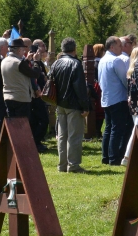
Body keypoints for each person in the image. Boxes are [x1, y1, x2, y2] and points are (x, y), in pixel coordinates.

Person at [51, 37, 89, 173]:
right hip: (73, 104)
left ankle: (62, 165)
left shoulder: (56, 63)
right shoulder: (75, 63)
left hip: (59, 103)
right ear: (75, 49)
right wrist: (85, 106)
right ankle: (73, 166)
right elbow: (80, 88)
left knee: (62, 136)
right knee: (74, 136)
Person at [97, 36, 132, 165]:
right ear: (112, 47)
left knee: (108, 128)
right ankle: (114, 158)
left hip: (106, 98)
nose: (121, 48)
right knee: (117, 130)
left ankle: (105, 156)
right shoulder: (116, 61)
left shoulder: (102, 60)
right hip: (118, 98)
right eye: (119, 46)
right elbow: (125, 80)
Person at [1, 38, 40, 123]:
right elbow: (35, 74)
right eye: (23, 50)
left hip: (8, 97)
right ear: (19, 50)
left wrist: (27, 60)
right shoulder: (18, 62)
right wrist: (36, 61)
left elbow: (18, 69)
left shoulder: (4, 60)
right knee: (23, 126)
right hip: (21, 98)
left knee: (13, 125)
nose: (24, 52)